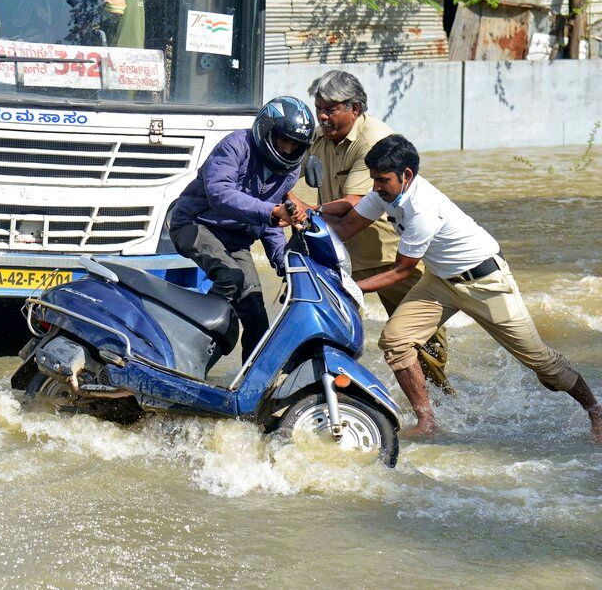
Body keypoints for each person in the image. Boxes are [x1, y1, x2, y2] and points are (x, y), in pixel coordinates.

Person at [327, 134, 602, 442]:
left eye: (383, 180)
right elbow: (343, 228)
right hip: (441, 281)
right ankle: (427, 421)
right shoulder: (386, 193)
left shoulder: (422, 208)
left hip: (486, 282)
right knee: (395, 341)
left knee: (543, 364)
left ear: (406, 176)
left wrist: (344, 286)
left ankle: (595, 410)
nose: (376, 186)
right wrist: (303, 216)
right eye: (374, 179)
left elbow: (401, 271)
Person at [301, 70, 451, 394]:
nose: (323, 117)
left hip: (391, 256)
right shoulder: (320, 137)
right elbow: (290, 169)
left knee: (422, 344)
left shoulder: (374, 140)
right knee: (332, 332)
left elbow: (357, 203)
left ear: (354, 108)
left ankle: (441, 405)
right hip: (340, 251)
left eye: (330, 109)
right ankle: (339, 396)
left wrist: (307, 211)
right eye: (319, 109)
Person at [169, 96, 313, 363]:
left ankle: (253, 386)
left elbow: (271, 224)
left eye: (295, 145)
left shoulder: (289, 173)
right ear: (267, 130)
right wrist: (271, 213)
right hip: (195, 224)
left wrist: (285, 263)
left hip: (235, 241)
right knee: (231, 278)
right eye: (284, 139)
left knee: (257, 317)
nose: (288, 148)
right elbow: (220, 193)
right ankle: (183, 351)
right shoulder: (235, 145)